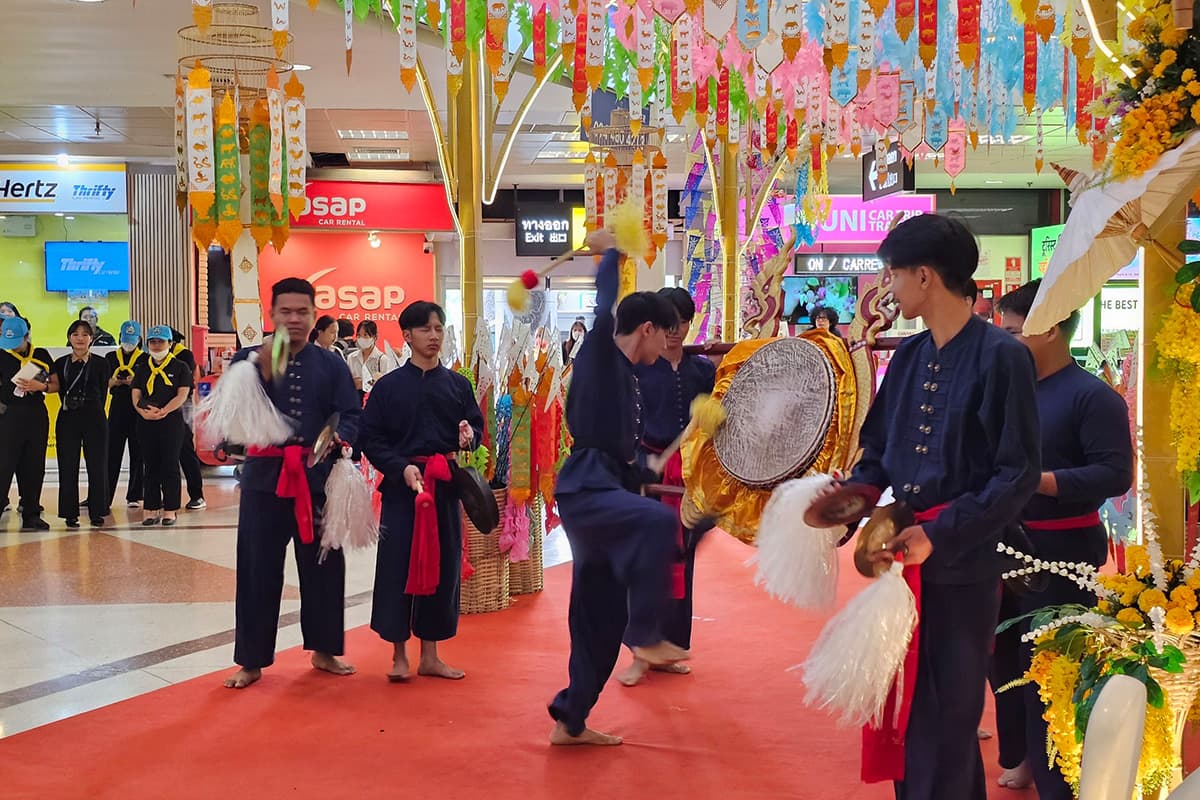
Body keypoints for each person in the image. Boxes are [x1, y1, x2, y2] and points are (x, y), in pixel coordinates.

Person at [840, 214, 1041, 800]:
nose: (890, 286)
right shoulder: (907, 356)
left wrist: (941, 532)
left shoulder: (1002, 357)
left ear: (925, 276)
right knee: (907, 712)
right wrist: (851, 498)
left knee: (949, 716)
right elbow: (879, 450)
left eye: (894, 273)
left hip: (965, 563)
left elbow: (1017, 473)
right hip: (902, 558)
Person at [547, 229, 688, 747]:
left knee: (599, 618)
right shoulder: (601, 354)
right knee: (654, 523)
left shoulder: (629, 380)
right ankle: (647, 634)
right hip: (586, 489)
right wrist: (610, 253)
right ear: (646, 329)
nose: (668, 344)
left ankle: (571, 719)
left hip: (605, 487)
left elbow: (625, 457)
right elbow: (605, 303)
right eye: (665, 334)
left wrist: (648, 472)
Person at [992, 279, 1133, 798]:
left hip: (1062, 552)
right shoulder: (1006, 390)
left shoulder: (1093, 397)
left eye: (1012, 332)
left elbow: (1114, 474)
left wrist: (1040, 481)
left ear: (1050, 329)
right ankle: (1020, 754)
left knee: (1049, 666)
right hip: (1001, 545)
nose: (1003, 341)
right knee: (1001, 660)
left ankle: (1055, 773)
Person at [222, 278, 361, 690]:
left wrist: (340, 436)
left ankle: (324, 649)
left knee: (324, 566)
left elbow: (351, 414)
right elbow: (230, 417)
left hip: (317, 480)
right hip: (263, 481)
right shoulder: (248, 360)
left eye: (303, 312)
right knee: (257, 569)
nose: (295, 319)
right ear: (272, 314)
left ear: (314, 316)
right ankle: (251, 660)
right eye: (286, 311)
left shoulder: (332, 364)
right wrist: (256, 373)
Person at [360, 301, 484, 682]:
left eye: (439, 329)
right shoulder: (388, 387)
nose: (434, 336)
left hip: (443, 488)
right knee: (396, 567)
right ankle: (398, 655)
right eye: (426, 329)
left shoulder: (458, 385)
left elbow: (475, 430)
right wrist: (400, 467)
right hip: (403, 491)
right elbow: (370, 438)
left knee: (442, 569)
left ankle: (430, 655)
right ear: (407, 335)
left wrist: (469, 437)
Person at [617, 287, 715, 688]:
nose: (675, 332)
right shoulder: (641, 368)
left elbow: (714, 421)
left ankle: (672, 645)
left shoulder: (702, 371)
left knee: (682, 558)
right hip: (648, 470)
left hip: (688, 473)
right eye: (668, 324)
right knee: (644, 560)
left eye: (683, 323)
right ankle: (641, 650)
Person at [48, 320, 111, 528]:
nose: (80, 338)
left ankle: (97, 511)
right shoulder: (61, 363)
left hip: (94, 417)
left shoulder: (101, 363)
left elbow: (103, 392)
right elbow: (59, 390)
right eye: (75, 334)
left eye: (85, 334)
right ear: (69, 338)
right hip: (68, 417)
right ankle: (69, 513)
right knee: (67, 465)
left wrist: (91, 406)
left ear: (91, 338)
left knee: (97, 465)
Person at [131, 327, 192, 526]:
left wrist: (164, 410)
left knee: (170, 464)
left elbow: (182, 395)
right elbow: (136, 394)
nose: (156, 346)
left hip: (171, 421)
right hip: (146, 421)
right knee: (150, 465)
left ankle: (170, 509)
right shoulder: (142, 367)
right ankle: (150, 507)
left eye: (161, 341)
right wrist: (143, 412)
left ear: (170, 343)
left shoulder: (180, 367)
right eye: (153, 342)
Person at [0, 317, 52, 531]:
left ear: (26, 336)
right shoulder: (2, 355)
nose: (12, 347)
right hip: (8, 415)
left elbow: (56, 384)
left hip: (35, 415)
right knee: (4, 463)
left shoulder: (40, 355)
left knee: (34, 465)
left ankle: (31, 512)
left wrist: (41, 387)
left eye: (16, 342)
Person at [105, 321, 144, 509]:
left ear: (139, 339)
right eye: (126, 339)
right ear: (120, 337)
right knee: (111, 453)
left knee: (138, 453)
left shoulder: (145, 359)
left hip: (137, 408)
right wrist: (115, 382)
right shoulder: (110, 357)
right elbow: (104, 382)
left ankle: (135, 495)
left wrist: (133, 382)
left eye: (132, 340)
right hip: (117, 407)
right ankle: (104, 496)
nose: (128, 344)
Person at [169, 328, 206, 511]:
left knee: (185, 449)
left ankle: (197, 495)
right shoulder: (152, 359)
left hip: (183, 404)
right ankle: (167, 498)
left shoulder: (184, 355)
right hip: (162, 407)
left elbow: (184, 383)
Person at [345, 320, 397, 394]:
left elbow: (387, 385)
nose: (361, 338)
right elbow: (347, 382)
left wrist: (364, 383)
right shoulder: (351, 357)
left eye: (365, 335)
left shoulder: (382, 359)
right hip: (355, 397)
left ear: (375, 337)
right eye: (359, 335)